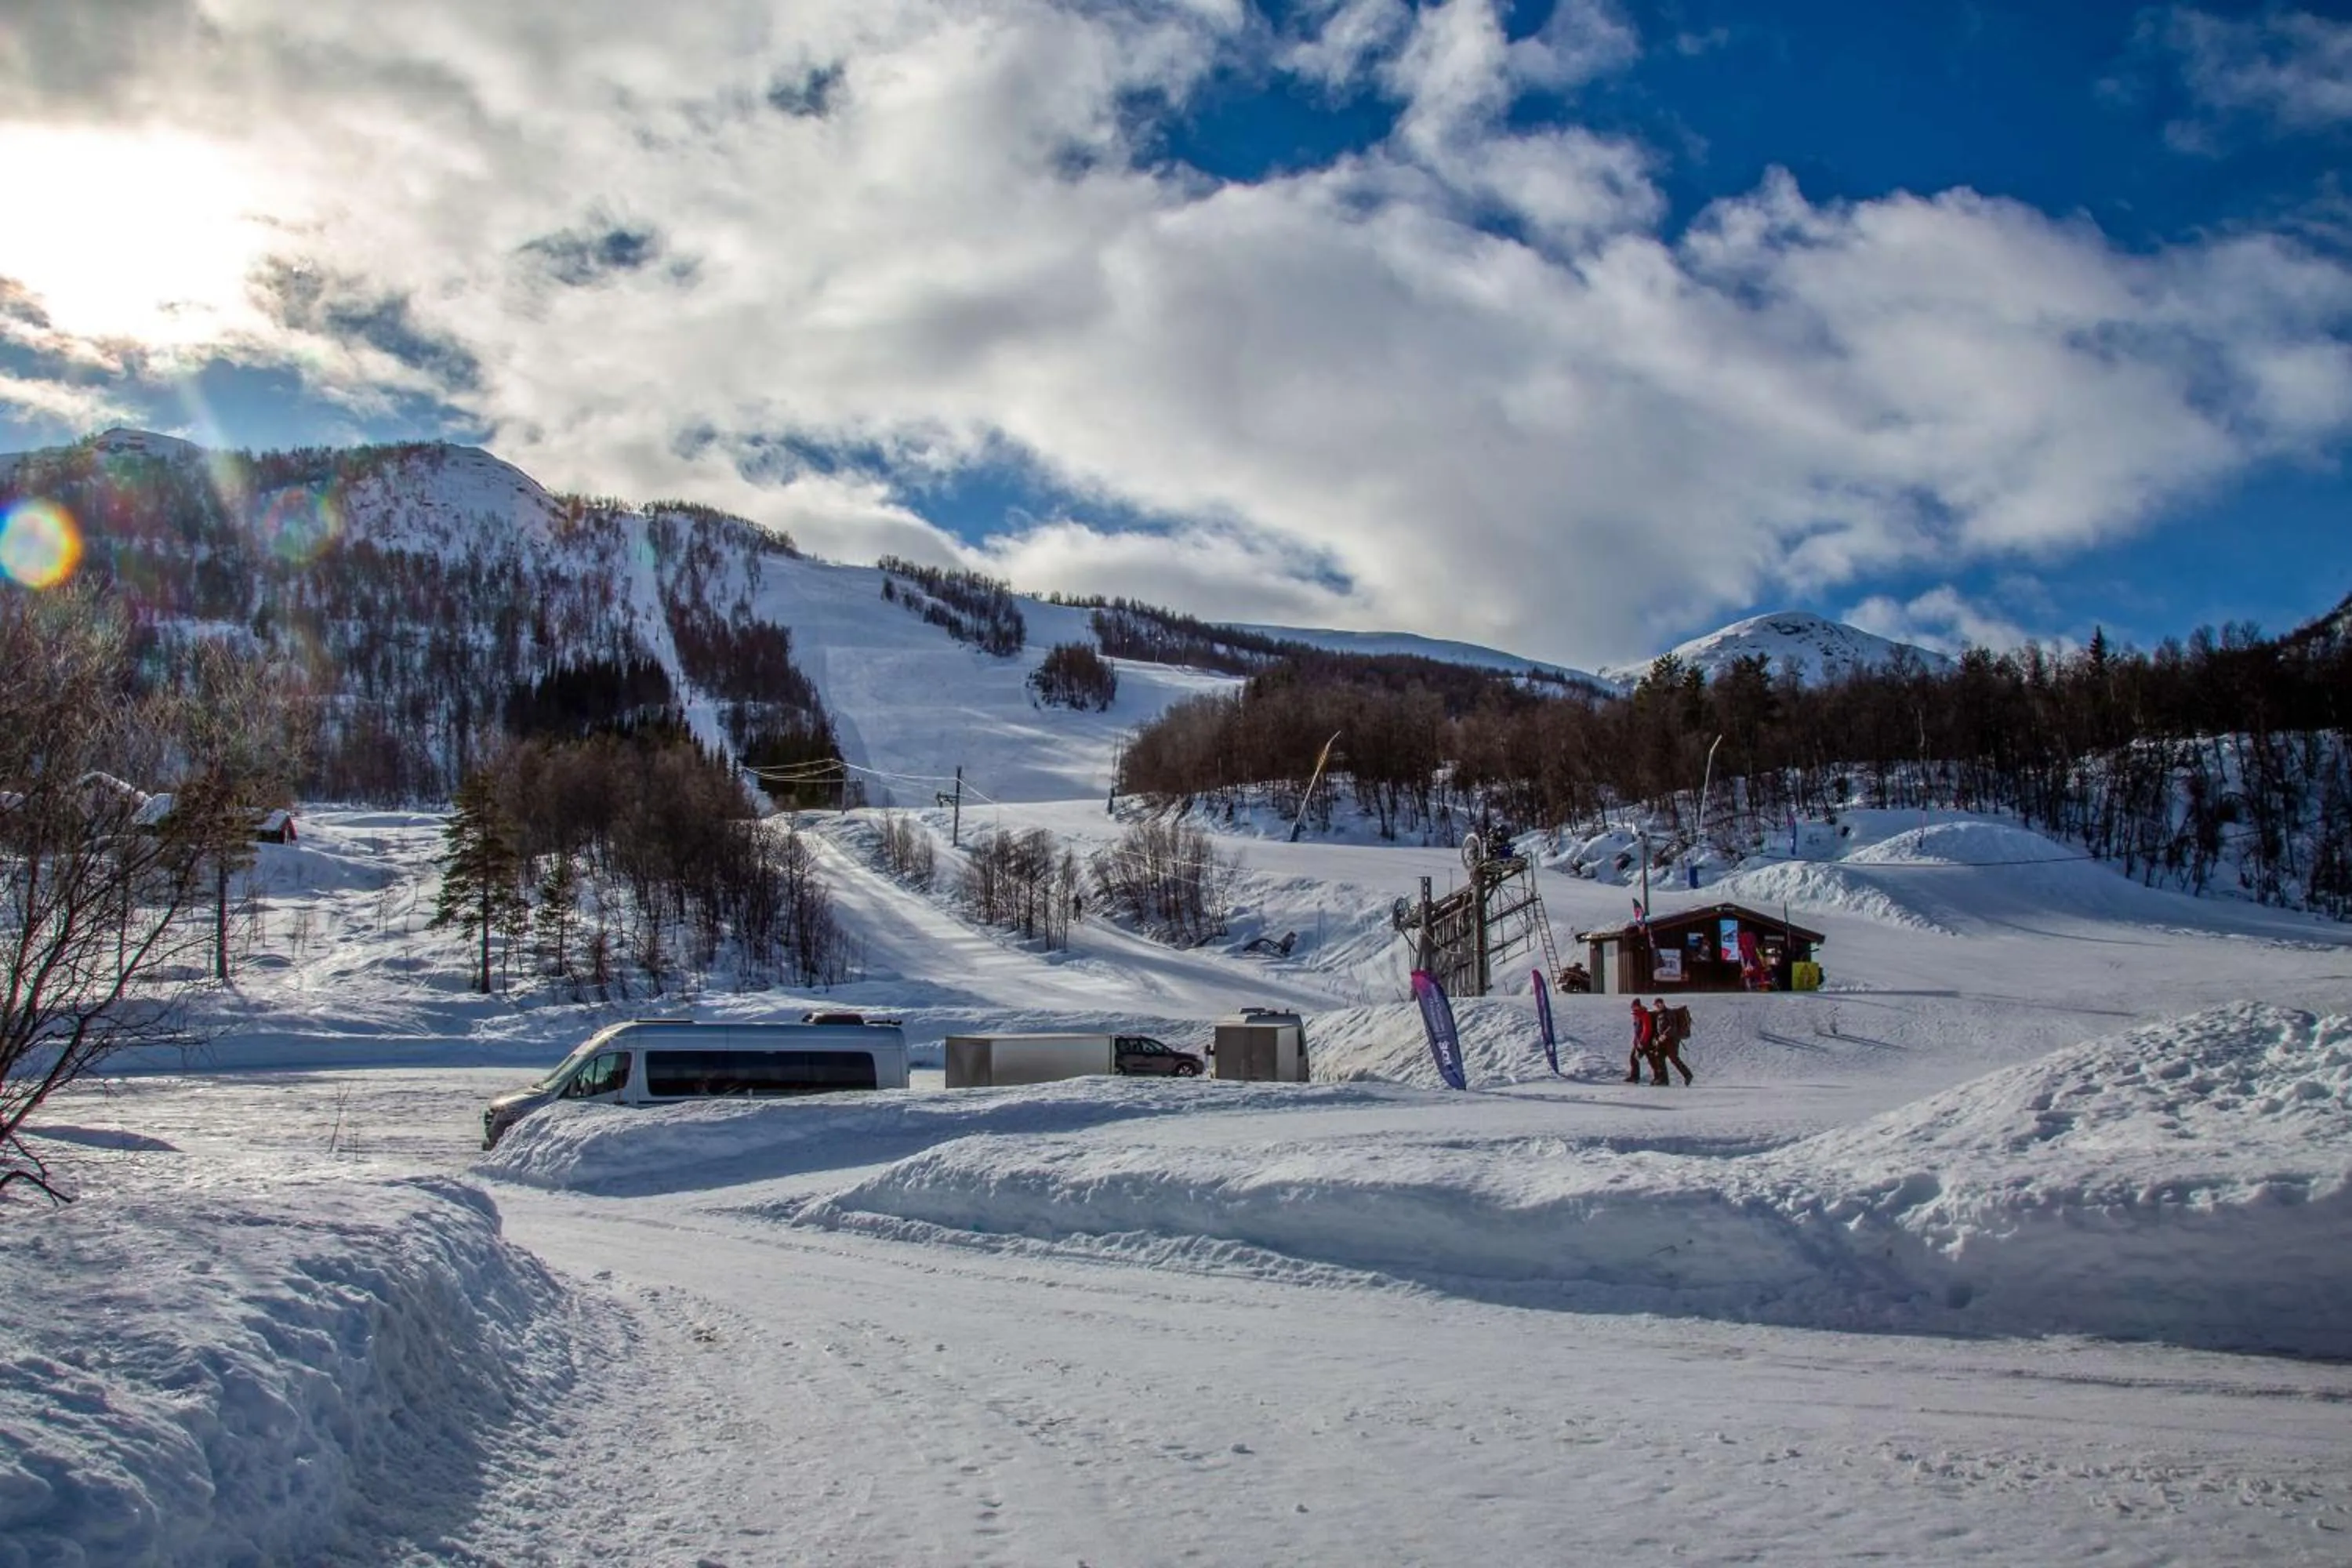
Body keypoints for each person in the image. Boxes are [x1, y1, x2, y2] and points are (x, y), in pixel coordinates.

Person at [1650, 999, 1694, 1087]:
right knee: (1659, 1057)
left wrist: (1664, 1035)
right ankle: (1664, 1080)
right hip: (1663, 1041)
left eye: (1659, 1004)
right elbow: (1659, 1029)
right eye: (1656, 1005)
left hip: (1672, 1040)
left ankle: (1688, 1075)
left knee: (1674, 1059)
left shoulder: (1669, 1013)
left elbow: (1672, 1026)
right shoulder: (1659, 1015)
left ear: (1663, 1004)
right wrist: (1657, 1038)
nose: (1658, 1006)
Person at [1625, 999, 1654, 1083]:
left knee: (1651, 1059)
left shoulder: (1644, 1015)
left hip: (1645, 1042)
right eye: (1633, 1007)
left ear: (1639, 1006)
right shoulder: (1636, 1015)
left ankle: (1659, 1077)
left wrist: (1642, 1042)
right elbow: (1637, 1031)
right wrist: (1635, 1042)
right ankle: (1635, 1076)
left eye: (1635, 1006)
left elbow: (1647, 1029)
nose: (1634, 1008)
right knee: (1633, 1058)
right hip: (1638, 1042)